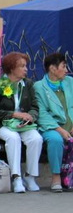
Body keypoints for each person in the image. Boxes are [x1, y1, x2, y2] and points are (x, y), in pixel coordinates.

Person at [0, 52, 42, 193]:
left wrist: (30, 116)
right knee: (13, 138)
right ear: (11, 68)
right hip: (3, 124)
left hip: (23, 124)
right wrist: (13, 114)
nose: (26, 69)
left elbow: (35, 107)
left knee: (36, 138)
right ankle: (16, 178)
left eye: (25, 66)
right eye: (22, 66)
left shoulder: (27, 84)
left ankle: (30, 176)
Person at [33, 53, 73, 192]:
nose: (67, 69)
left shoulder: (70, 82)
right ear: (52, 68)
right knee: (55, 140)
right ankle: (56, 176)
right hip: (51, 127)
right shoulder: (39, 87)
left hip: (71, 124)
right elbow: (42, 113)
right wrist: (60, 130)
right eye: (63, 66)